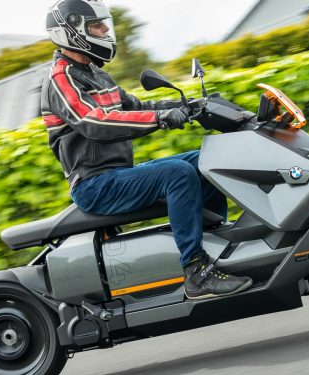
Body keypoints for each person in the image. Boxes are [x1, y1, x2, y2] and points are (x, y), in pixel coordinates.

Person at [41, 0, 253, 299]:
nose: (105, 30)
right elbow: (94, 122)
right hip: (94, 184)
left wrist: (188, 105)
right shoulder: (61, 77)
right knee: (177, 173)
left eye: (104, 24)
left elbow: (138, 107)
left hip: (119, 174)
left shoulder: (97, 74)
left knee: (205, 159)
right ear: (72, 31)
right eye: (96, 26)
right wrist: (161, 119)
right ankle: (197, 271)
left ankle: (216, 239)